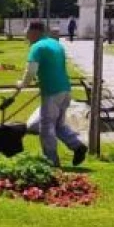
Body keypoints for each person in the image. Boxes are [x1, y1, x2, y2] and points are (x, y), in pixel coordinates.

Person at [15, 21, 88, 167]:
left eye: (27, 31)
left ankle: (51, 161)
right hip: (65, 89)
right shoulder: (56, 44)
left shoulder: (37, 47)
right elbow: (53, 66)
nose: (26, 35)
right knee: (59, 125)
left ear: (35, 31)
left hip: (51, 91)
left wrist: (22, 84)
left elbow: (30, 71)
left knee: (46, 127)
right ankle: (77, 145)